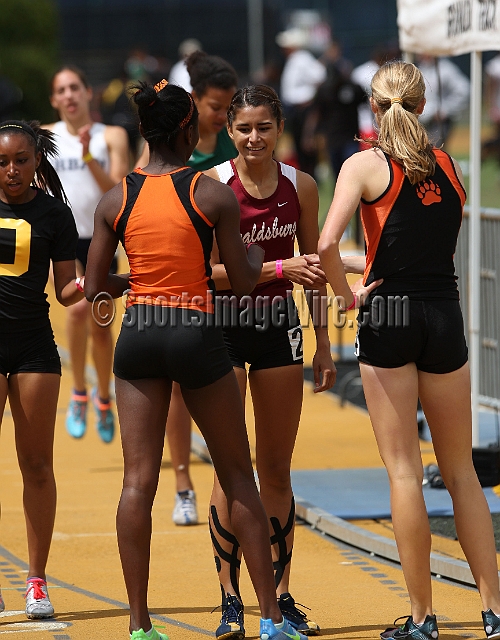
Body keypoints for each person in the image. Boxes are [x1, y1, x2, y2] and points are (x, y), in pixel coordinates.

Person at [84, 78, 307, 640]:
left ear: (143, 130)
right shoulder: (210, 194)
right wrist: (257, 253)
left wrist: (138, 281)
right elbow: (246, 279)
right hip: (194, 329)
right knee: (238, 475)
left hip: (139, 330)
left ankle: (139, 626)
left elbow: (94, 287)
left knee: (137, 483)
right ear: (190, 128)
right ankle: (271, 620)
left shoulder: (117, 198)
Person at [318, 61, 500, 640]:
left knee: (403, 471)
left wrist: (347, 295)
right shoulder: (448, 165)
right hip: (442, 313)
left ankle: (423, 617)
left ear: (374, 107)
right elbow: (426, 246)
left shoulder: (363, 165)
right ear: (424, 106)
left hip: (390, 315)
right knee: (462, 472)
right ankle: (494, 610)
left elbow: (326, 242)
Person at [205, 85, 336, 638]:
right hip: (225, 330)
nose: (253, 138)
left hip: (278, 330)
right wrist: (280, 270)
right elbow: (208, 274)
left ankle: (280, 595)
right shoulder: (212, 186)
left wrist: (325, 344)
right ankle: (231, 599)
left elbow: (319, 267)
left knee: (276, 467)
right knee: (231, 467)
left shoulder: (300, 186)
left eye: (263, 127)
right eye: (243, 129)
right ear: (228, 132)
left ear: (279, 126)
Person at [137, 51, 239, 527]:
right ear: (194, 105)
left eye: (230, 105)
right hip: (181, 286)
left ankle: (232, 483)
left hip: (229, 286)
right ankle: (182, 482)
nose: (225, 115)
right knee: (176, 387)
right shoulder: (169, 150)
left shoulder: (237, 148)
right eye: (217, 107)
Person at [0, 120, 84, 619]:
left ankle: (36, 581)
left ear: (36, 161)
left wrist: (106, 281)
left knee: (36, 465)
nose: (11, 170)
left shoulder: (55, 213)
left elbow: (66, 289)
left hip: (34, 349)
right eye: (2, 162)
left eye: (20, 160)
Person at [45, 65, 129, 443]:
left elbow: (118, 192)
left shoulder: (110, 135)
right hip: (61, 240)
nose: (69, 95)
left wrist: (88, 158)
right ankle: (79, 392)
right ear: (54, 99)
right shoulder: (45, 136)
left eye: (75, 87)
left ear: (87, 92)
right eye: (61, 90)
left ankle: (104, 397)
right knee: (77, 309)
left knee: (100, 322)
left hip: (101, 238)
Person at [276, 28, 326, 176]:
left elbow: (319, 76)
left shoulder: (302, 58)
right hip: (296, 109)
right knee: (299, 144)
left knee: (306, 145)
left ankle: (311, 174)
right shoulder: (294, 59)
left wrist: (310, 97)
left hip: (304, 108)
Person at [416, 55, 469, 148]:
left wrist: (446, 109)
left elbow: (464, 90)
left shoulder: (446, 69)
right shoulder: (420, 67)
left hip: (437, 121)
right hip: (420, 119)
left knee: (435, 152)